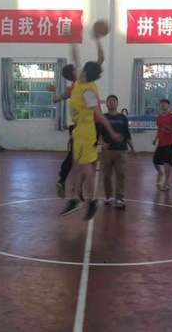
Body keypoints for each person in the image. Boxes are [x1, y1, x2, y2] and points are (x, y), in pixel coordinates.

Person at [60, 43, 122, 219]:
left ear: (86, 74)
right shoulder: (79, 82)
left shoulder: (88, 91)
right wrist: (72, 40)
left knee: (86, 166)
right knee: (76, 165)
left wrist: (111, 132)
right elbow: (75, 57)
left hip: (86, 132)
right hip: (78, 131)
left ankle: (93, 200)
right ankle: (75, 198)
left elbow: (99, 115)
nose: (80, 71)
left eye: (83, 70)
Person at [100, 95, 137, 209]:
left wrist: (132, 148)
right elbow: (98, 133)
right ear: (106, 103)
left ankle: (119, 198)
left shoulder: (122, 118)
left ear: (117, 103)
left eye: (114, 100)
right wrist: (102, 143)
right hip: (107, 151)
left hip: (121, 151)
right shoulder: (102, 117)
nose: (112, 102)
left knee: (121, 174)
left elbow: (127, 134)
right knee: (107, 175)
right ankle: (109, 197)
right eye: (109, 100)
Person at [152, 99, 172, 190]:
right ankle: (160, 172)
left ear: (168, 105)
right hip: (161, 142)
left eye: (165, 103)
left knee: (167, 163)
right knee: (155, 161)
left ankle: (166, 183)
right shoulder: (158, 117)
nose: (163, 105)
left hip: (170, 143)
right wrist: (155, 139)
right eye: (161, 103)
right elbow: (159, 130)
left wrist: (168, 129)